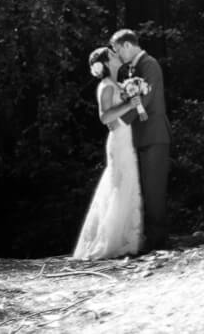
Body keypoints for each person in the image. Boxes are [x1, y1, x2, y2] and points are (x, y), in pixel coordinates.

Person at [72, 45, 145, 260]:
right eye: (112, 55)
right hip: (118, 139)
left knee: (128, 182)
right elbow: (104, 118)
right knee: (120, 183)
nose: (116, 56)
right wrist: (129, 104)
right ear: (104, 63)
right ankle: (112, 241)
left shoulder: (115, 83)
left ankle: (127, 237)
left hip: (125, 135)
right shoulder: (106, 86)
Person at [111, 28, 171, 253]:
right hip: (143, 135)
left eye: (118, 50)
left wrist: (121, 120)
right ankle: (153, 235)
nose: (119, 56)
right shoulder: (133, 69)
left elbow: (145, 99)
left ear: (128, 45)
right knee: (147, 186)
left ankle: (158, 239)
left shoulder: (150, 64)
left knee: (154, 187)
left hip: (154, 133)